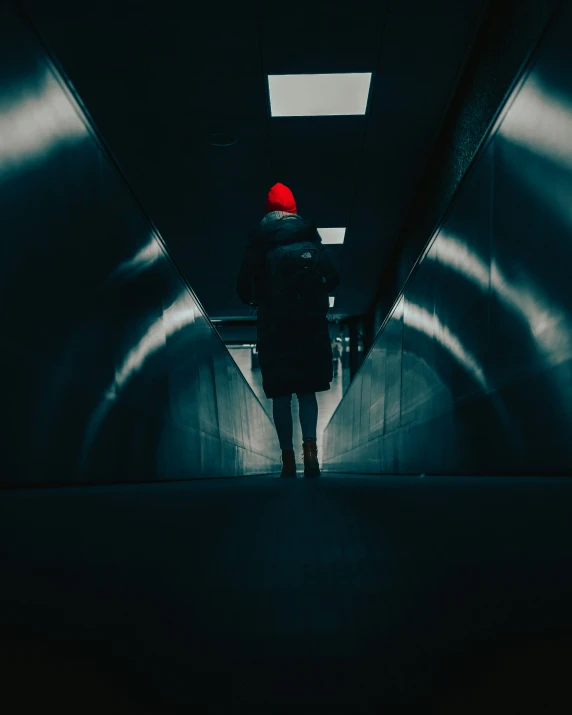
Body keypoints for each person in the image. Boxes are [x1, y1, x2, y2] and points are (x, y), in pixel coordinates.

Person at [237, 183, 340, 477]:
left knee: (281, 395)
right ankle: (311, 454)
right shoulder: (310, 241)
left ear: (268, 213)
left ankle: (287, 459)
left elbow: (242, 288)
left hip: (275, 330)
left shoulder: (258, 245)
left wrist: (261, 301)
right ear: (294, 211)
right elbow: (333, 278)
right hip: (310, 328)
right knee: (307, 392)